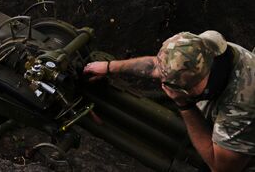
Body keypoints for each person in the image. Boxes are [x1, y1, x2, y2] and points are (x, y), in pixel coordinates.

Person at [83, 30, 255, 172]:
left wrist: (185, 105)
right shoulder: (203, 48)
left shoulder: (242, 104)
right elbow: (156, 66)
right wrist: (110, 67)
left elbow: (220, 167)